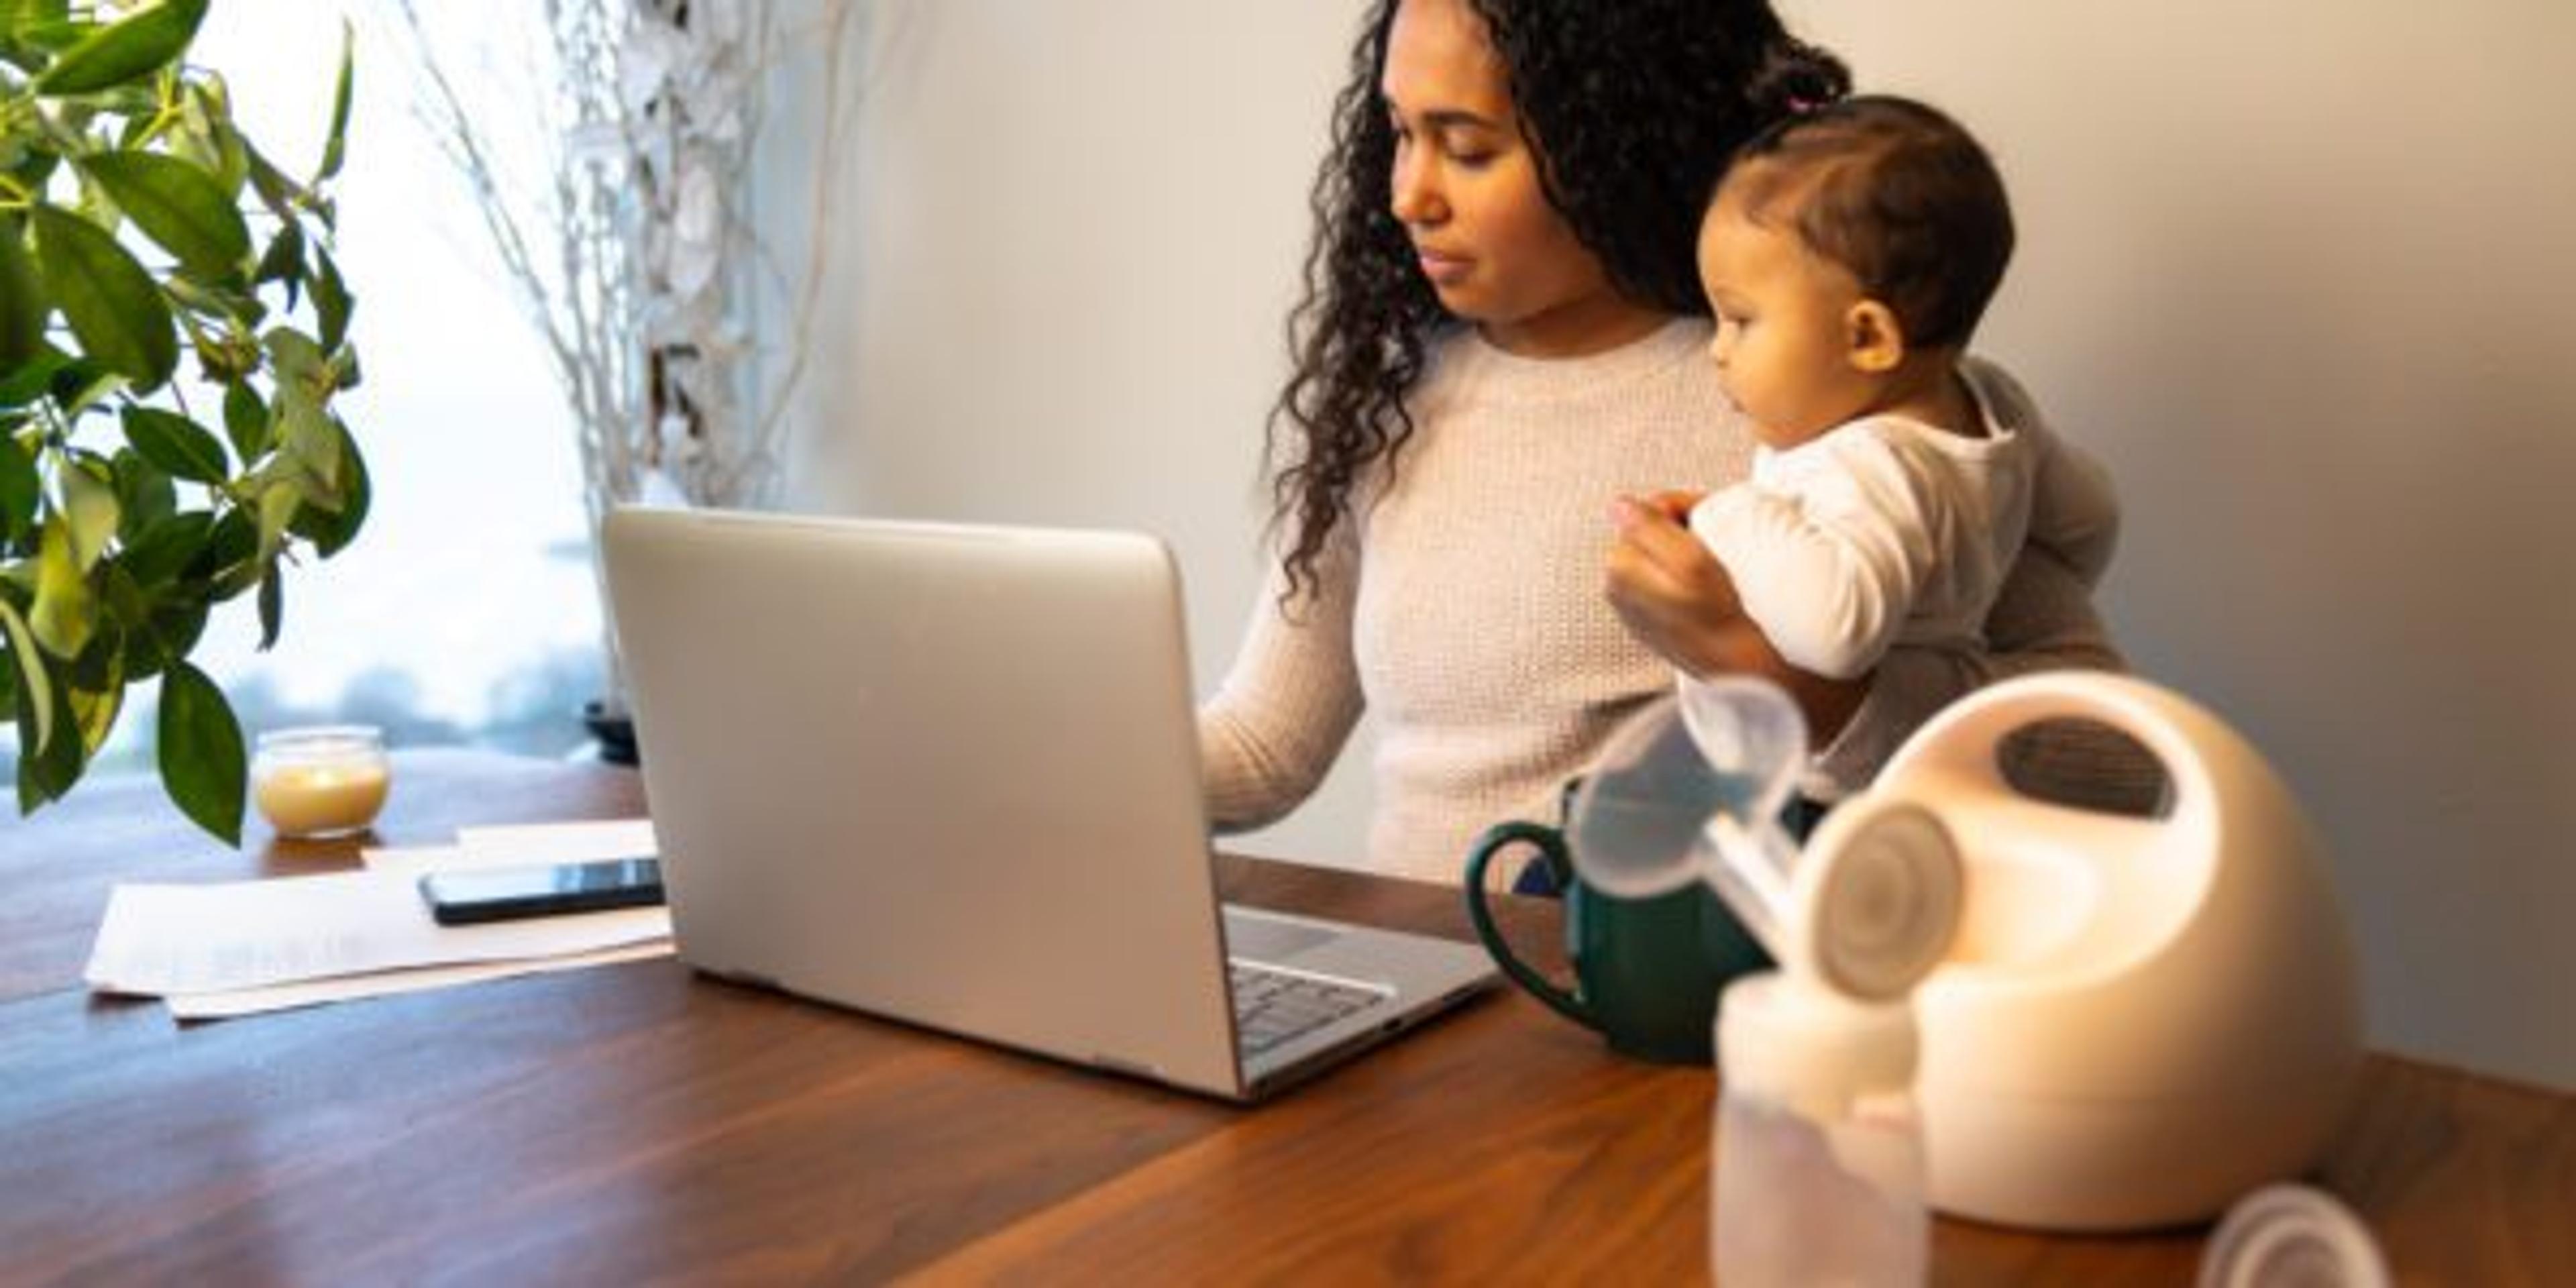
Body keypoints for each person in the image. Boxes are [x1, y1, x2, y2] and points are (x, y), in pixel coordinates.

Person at [1198, 0, 2127, 885]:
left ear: (1611, 144)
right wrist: (1067, 757)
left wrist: (1791, 688)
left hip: (1655, 1020)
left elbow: (2116, 759)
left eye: (1468, 148)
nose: (1408, 196)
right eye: (1398, 133)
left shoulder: (1803, 395)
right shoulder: (1386, 401)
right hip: (1424, 1011)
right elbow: (1263, 747)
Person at [1676, 95, 2119, 805]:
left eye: (1739, 320)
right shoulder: (1990, 397)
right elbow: (2089, 516)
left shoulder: (1867, 468)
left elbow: (1835, 634)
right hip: (1935, 754)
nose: (1718, 352)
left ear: (1868, 338)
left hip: (1835, 791)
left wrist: (1728, 517)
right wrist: (1989, 567)